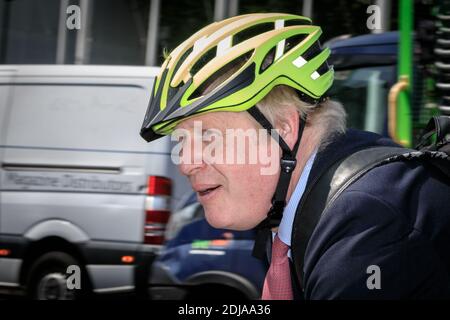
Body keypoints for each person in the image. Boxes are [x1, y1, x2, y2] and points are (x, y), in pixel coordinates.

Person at [140, 13, 450, 299]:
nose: (185, 162)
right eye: (182, 140)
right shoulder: (288, 211)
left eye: (208, 136)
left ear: (283, 127)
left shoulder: (367, 218)